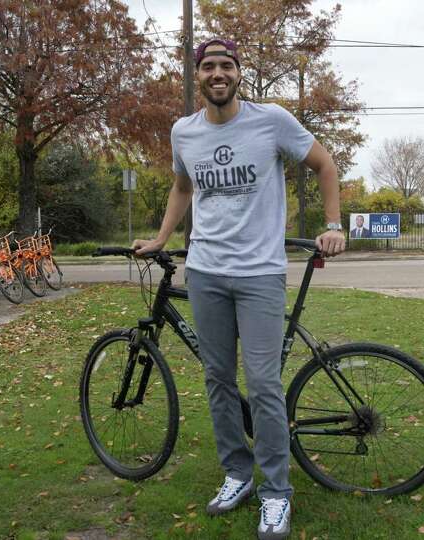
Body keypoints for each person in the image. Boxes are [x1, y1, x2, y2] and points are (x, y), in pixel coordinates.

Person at [133, 38, 345, 540]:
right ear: (197, 76)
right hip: (205, 272)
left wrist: (334, 223)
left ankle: (276, 494)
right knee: (218, 380)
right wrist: (163, 237)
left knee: (265, 385)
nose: (218, 73)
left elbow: (325, 164)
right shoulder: (182, 131)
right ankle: (237, 474)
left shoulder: (270, 120)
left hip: (259, 274)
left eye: (226, 65)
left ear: (238, 74)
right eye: (208, 66)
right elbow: (183, 187)